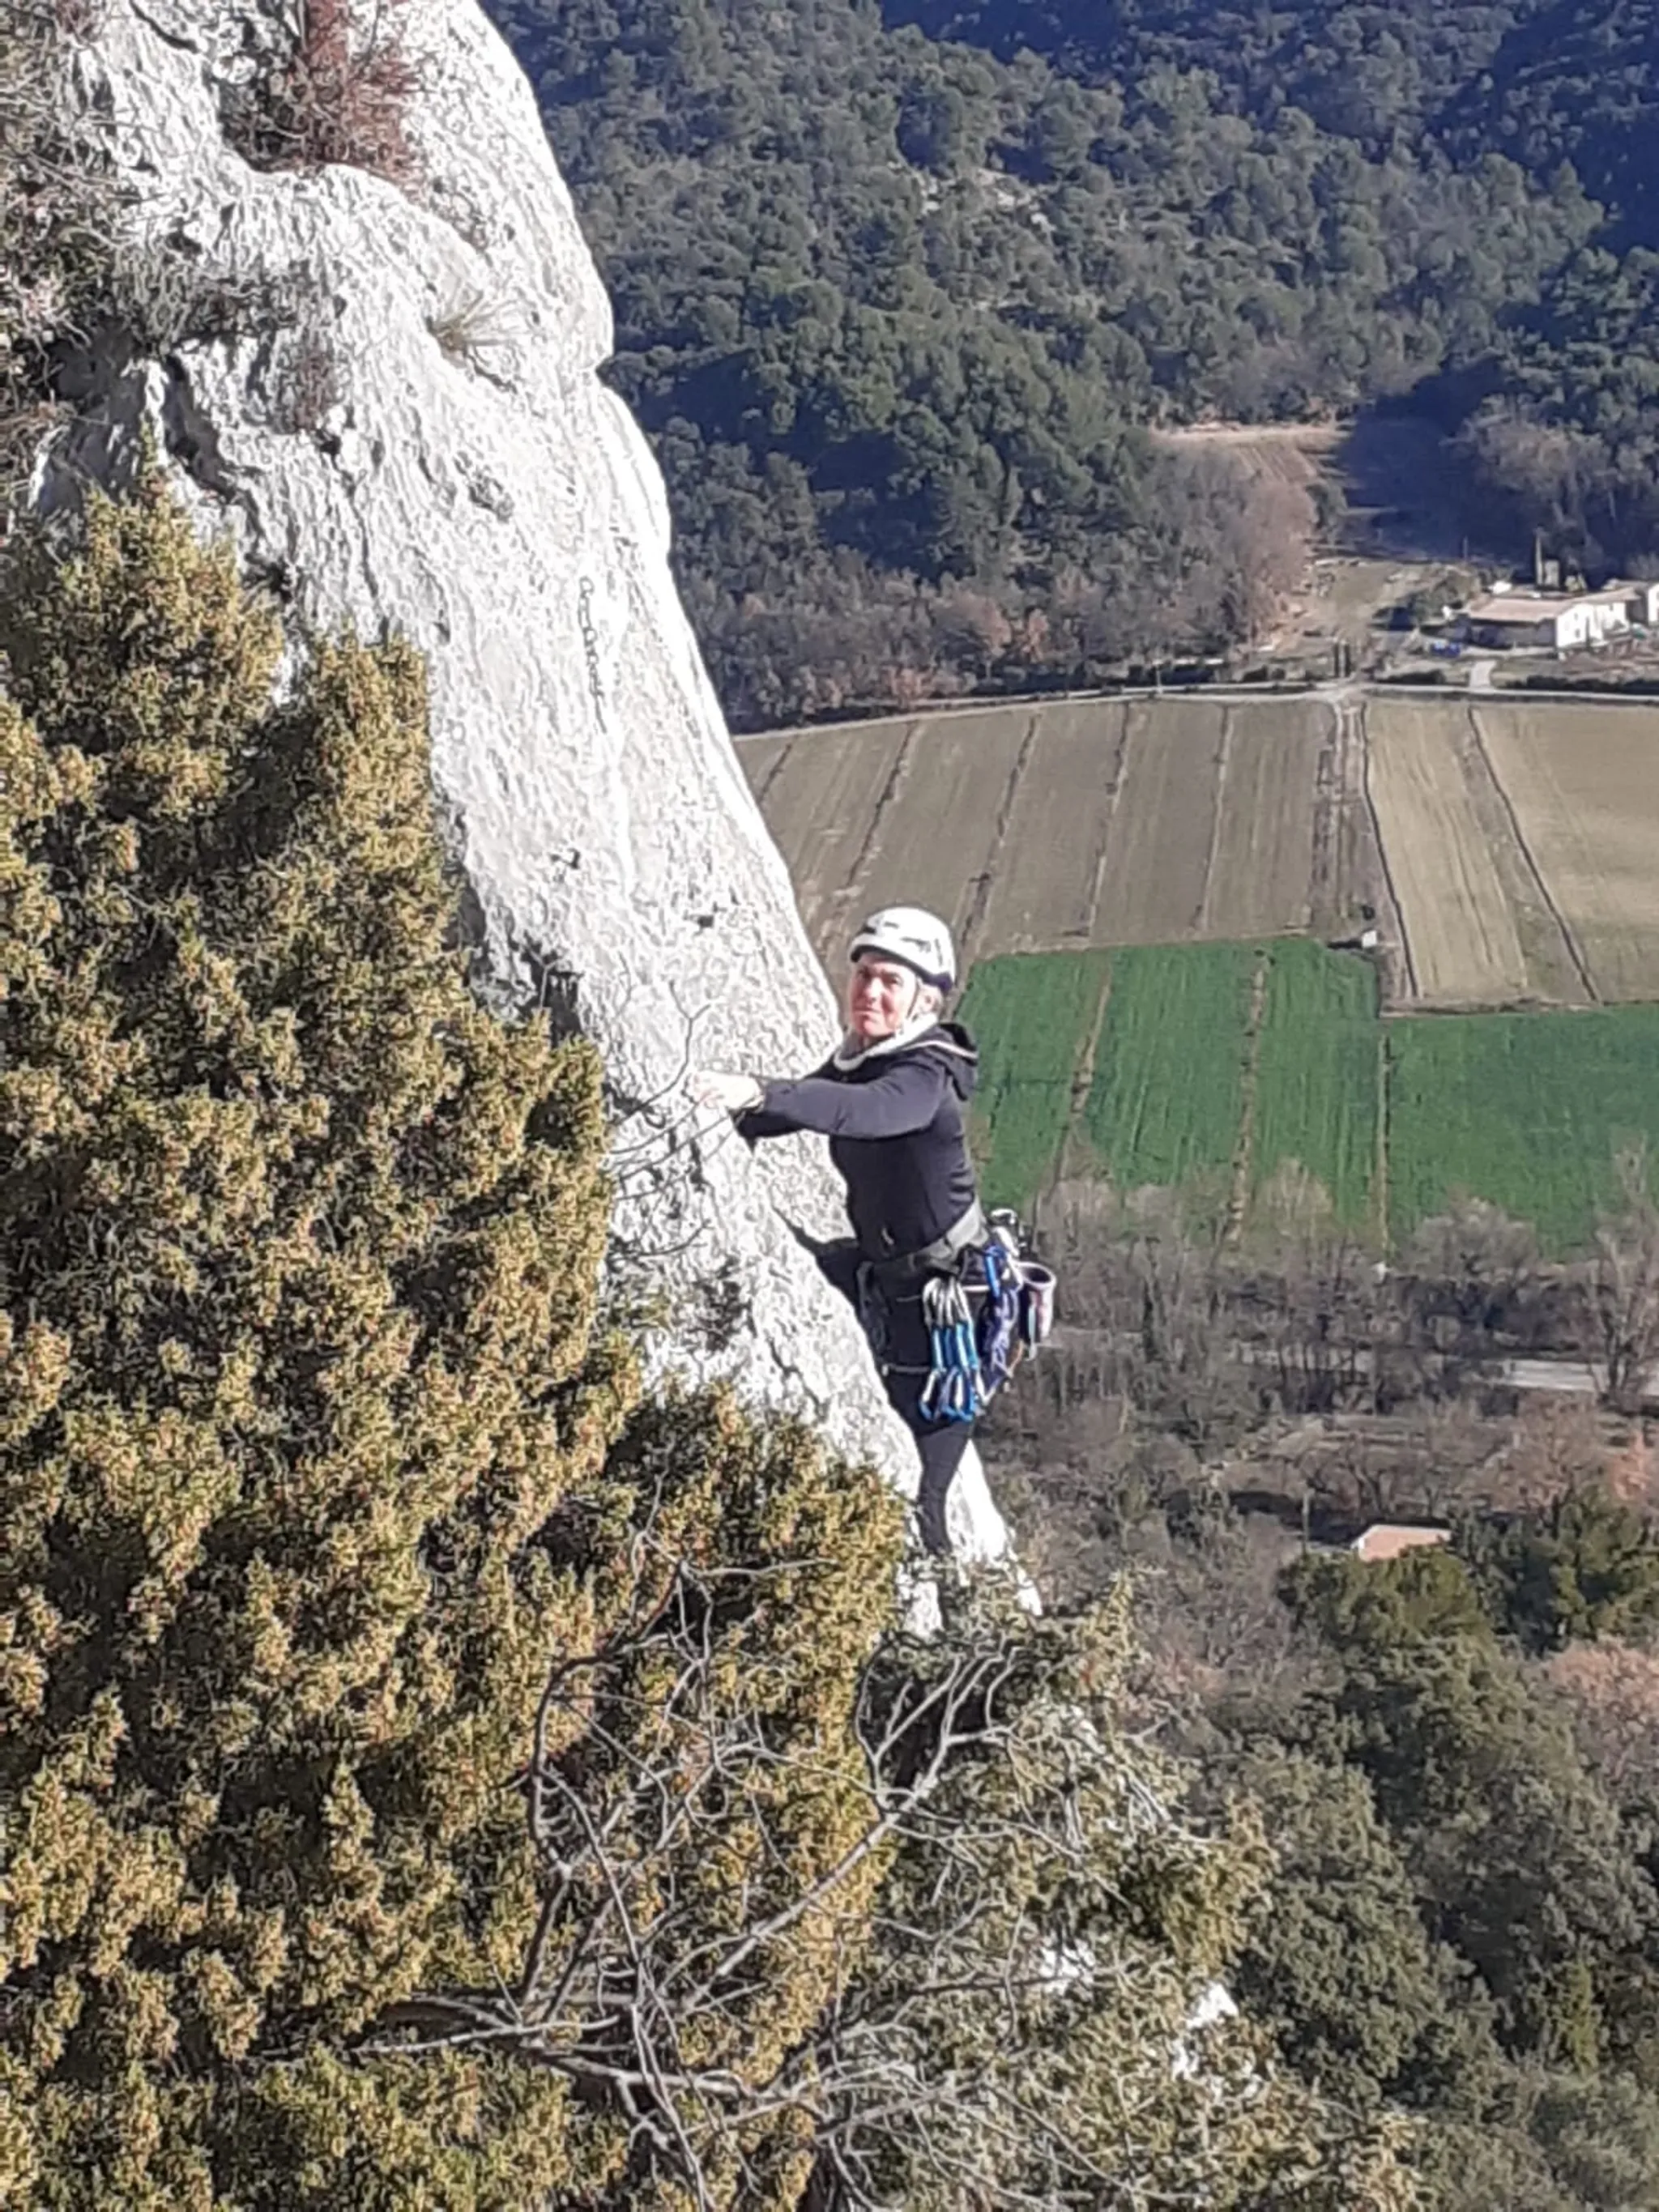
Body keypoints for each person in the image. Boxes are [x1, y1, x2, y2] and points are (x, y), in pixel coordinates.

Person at [694, 905, 987, 1557]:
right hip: (884, 1272)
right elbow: (806, 1103)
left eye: (890, 980)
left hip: (944, 1299)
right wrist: (722, 1117)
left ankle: (941, 1594)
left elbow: (865, 1113)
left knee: (924, 1485)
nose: (871, 992)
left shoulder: (923, 1075)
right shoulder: (862, 1058)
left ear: (925, 1000)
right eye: (863, 976)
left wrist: (757, 1090)